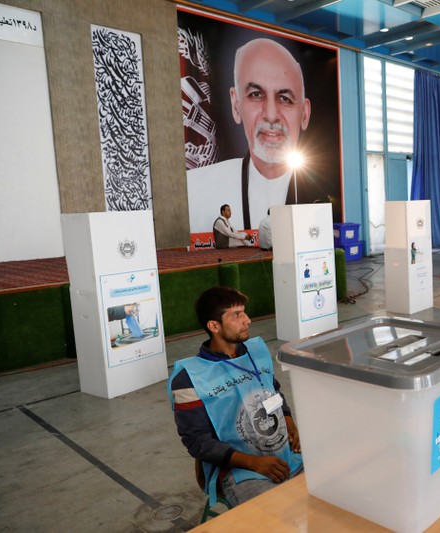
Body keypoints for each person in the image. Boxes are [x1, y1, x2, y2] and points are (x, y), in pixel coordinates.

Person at [186, 38, 332, 249]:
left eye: (285, 98)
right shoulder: (196, 189)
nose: (271, 115)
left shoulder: (318, 191)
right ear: (236, 105)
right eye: (256, 95)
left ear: (305, 113)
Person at [167, 287, 303, 506]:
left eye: (244, 312)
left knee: (328, 493)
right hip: (239, 471)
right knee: (276, 514)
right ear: (214, 326)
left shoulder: (255, 352)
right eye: (236, 315)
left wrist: (288, 422)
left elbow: (272, 389)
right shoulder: (189, 379)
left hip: (285, 453)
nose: (247, 320)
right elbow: (197, 442)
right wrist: (254, 463)